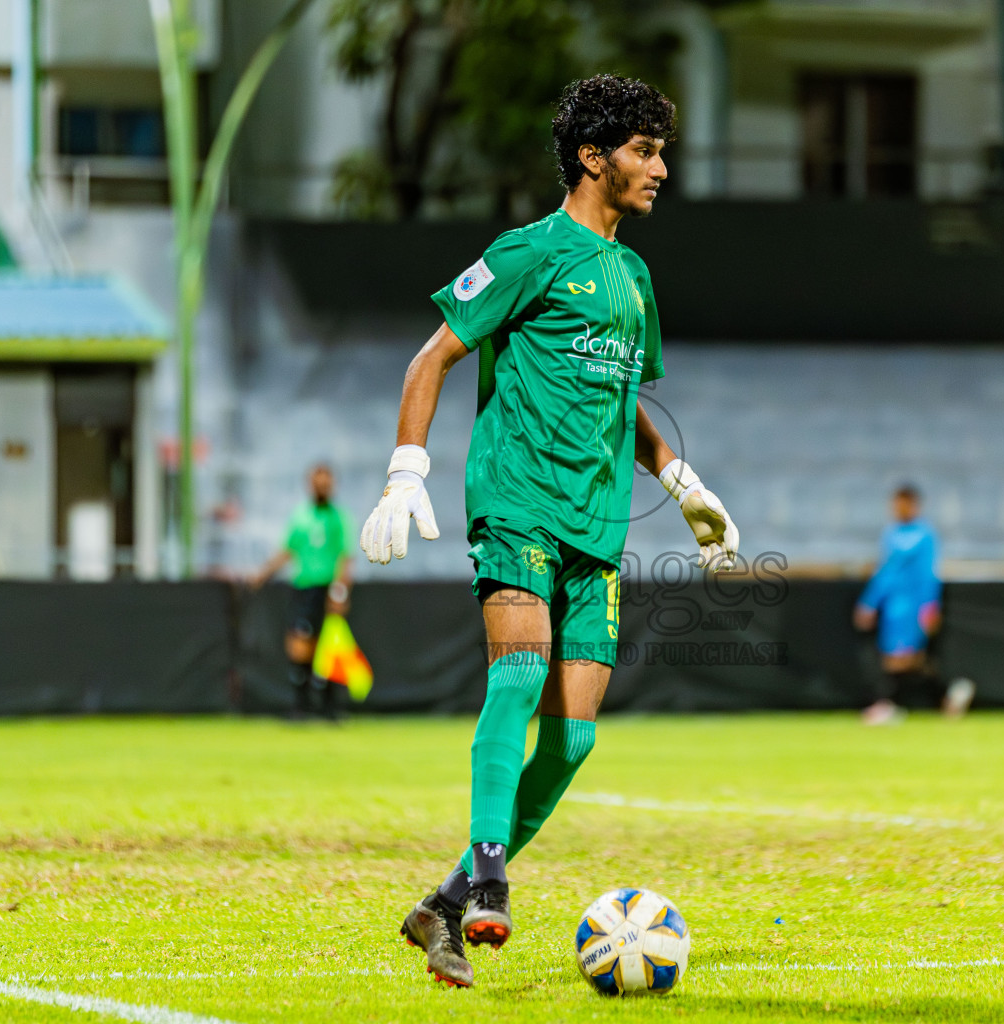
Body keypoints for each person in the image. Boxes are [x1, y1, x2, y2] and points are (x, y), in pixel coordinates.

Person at [358, 75, 739, 989]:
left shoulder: (635, 278)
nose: (659, 169)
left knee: (573, 743)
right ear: (592, 158)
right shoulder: (528, 253)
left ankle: (440, 905)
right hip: (518, 503)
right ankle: (490, 882)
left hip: (597, 525)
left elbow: (624, 399)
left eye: (661, 151)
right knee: (518, 675)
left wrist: (682, 479)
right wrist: (405, 472)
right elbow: (431, 356)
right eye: (643, 152)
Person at [852, 484, 969, 723]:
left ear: (914, 505)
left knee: (901, 660)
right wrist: (869, 602)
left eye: (904, 504)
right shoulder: (891, 534)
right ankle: (949, 694)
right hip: (892, 607)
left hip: (912, 606)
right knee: (903, 661)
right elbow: (884, 573)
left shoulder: (925, 536)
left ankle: (888, 705)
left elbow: (928, 574)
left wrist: (929, 607)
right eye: (896, 505)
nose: (899, 509)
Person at [250, 463, 354, 720]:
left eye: (326, 483)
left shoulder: (339, 518)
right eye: (318, 483)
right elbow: (288, 550)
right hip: (304, 588)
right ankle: (301, 705)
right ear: (310, 485)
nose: (322, 487)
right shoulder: (301, 517)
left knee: (328, 646)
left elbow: (345, 557)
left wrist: (340, 591)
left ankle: (329, 707)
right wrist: (262, 573)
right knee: (299, 644)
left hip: (328, 589)